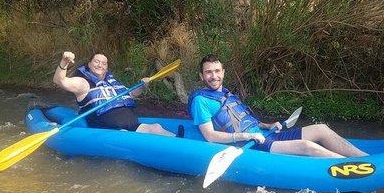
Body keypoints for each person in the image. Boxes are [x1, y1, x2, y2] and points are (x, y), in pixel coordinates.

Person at [188, 54, 367, 157]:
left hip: (265, 134)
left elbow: (245, 120)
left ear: (223, 72)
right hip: (253, 144)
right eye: (208, 72)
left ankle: (365, 159)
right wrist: (246, 135)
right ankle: (352, 168)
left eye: (217, 71)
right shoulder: (201, 101)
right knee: (307, 146)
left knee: (321, 128)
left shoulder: (226, 93)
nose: (214, 76)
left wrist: (268, 125)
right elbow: (210, 136)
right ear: (202, 76)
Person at [53, 51, 182, 137]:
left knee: (155, 128)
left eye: (104, 63)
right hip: (107, 129)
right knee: (125, 134)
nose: (100, 65)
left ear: (107, 68)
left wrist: (143, 86)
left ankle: (178, 142)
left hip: (131, 124)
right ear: (89, 64)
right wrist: (64, 62)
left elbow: (131, 94)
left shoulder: (112, 82)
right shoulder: (83, 83)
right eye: (97, 61)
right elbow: (60, 81)